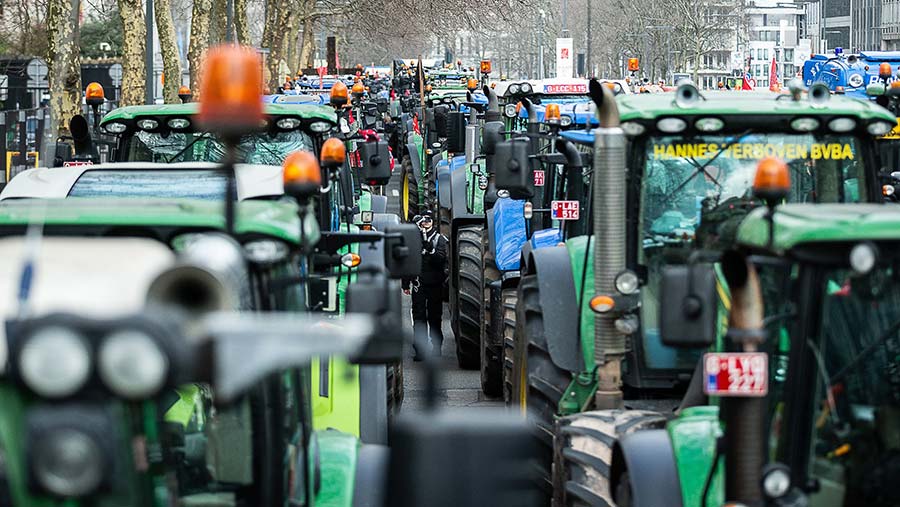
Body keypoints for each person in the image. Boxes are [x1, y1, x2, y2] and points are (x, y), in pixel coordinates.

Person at [403, 211, 448, 360]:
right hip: (418, 284)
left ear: (433, 222)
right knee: (419, 317)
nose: (426, 223)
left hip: (435, 283)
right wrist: (405, 282)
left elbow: (441, 259)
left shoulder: (439, 239)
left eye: (429, 220)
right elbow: (408, 260)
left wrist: (430, 248)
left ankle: (436, 347)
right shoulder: (414, 239)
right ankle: (420, 350)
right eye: (423, 220)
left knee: (435, 317)